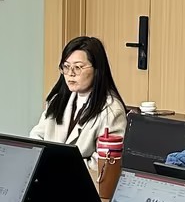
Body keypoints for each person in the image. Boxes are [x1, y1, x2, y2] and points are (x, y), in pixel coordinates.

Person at [30, 36, 128, 164]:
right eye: (66, 66)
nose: (71, 73)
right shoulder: (57, 100)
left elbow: (104, 163)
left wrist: (60, 168)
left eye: (78, 67)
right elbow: (36, 138)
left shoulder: (112, 111)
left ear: (97, 70)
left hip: (81, 177)